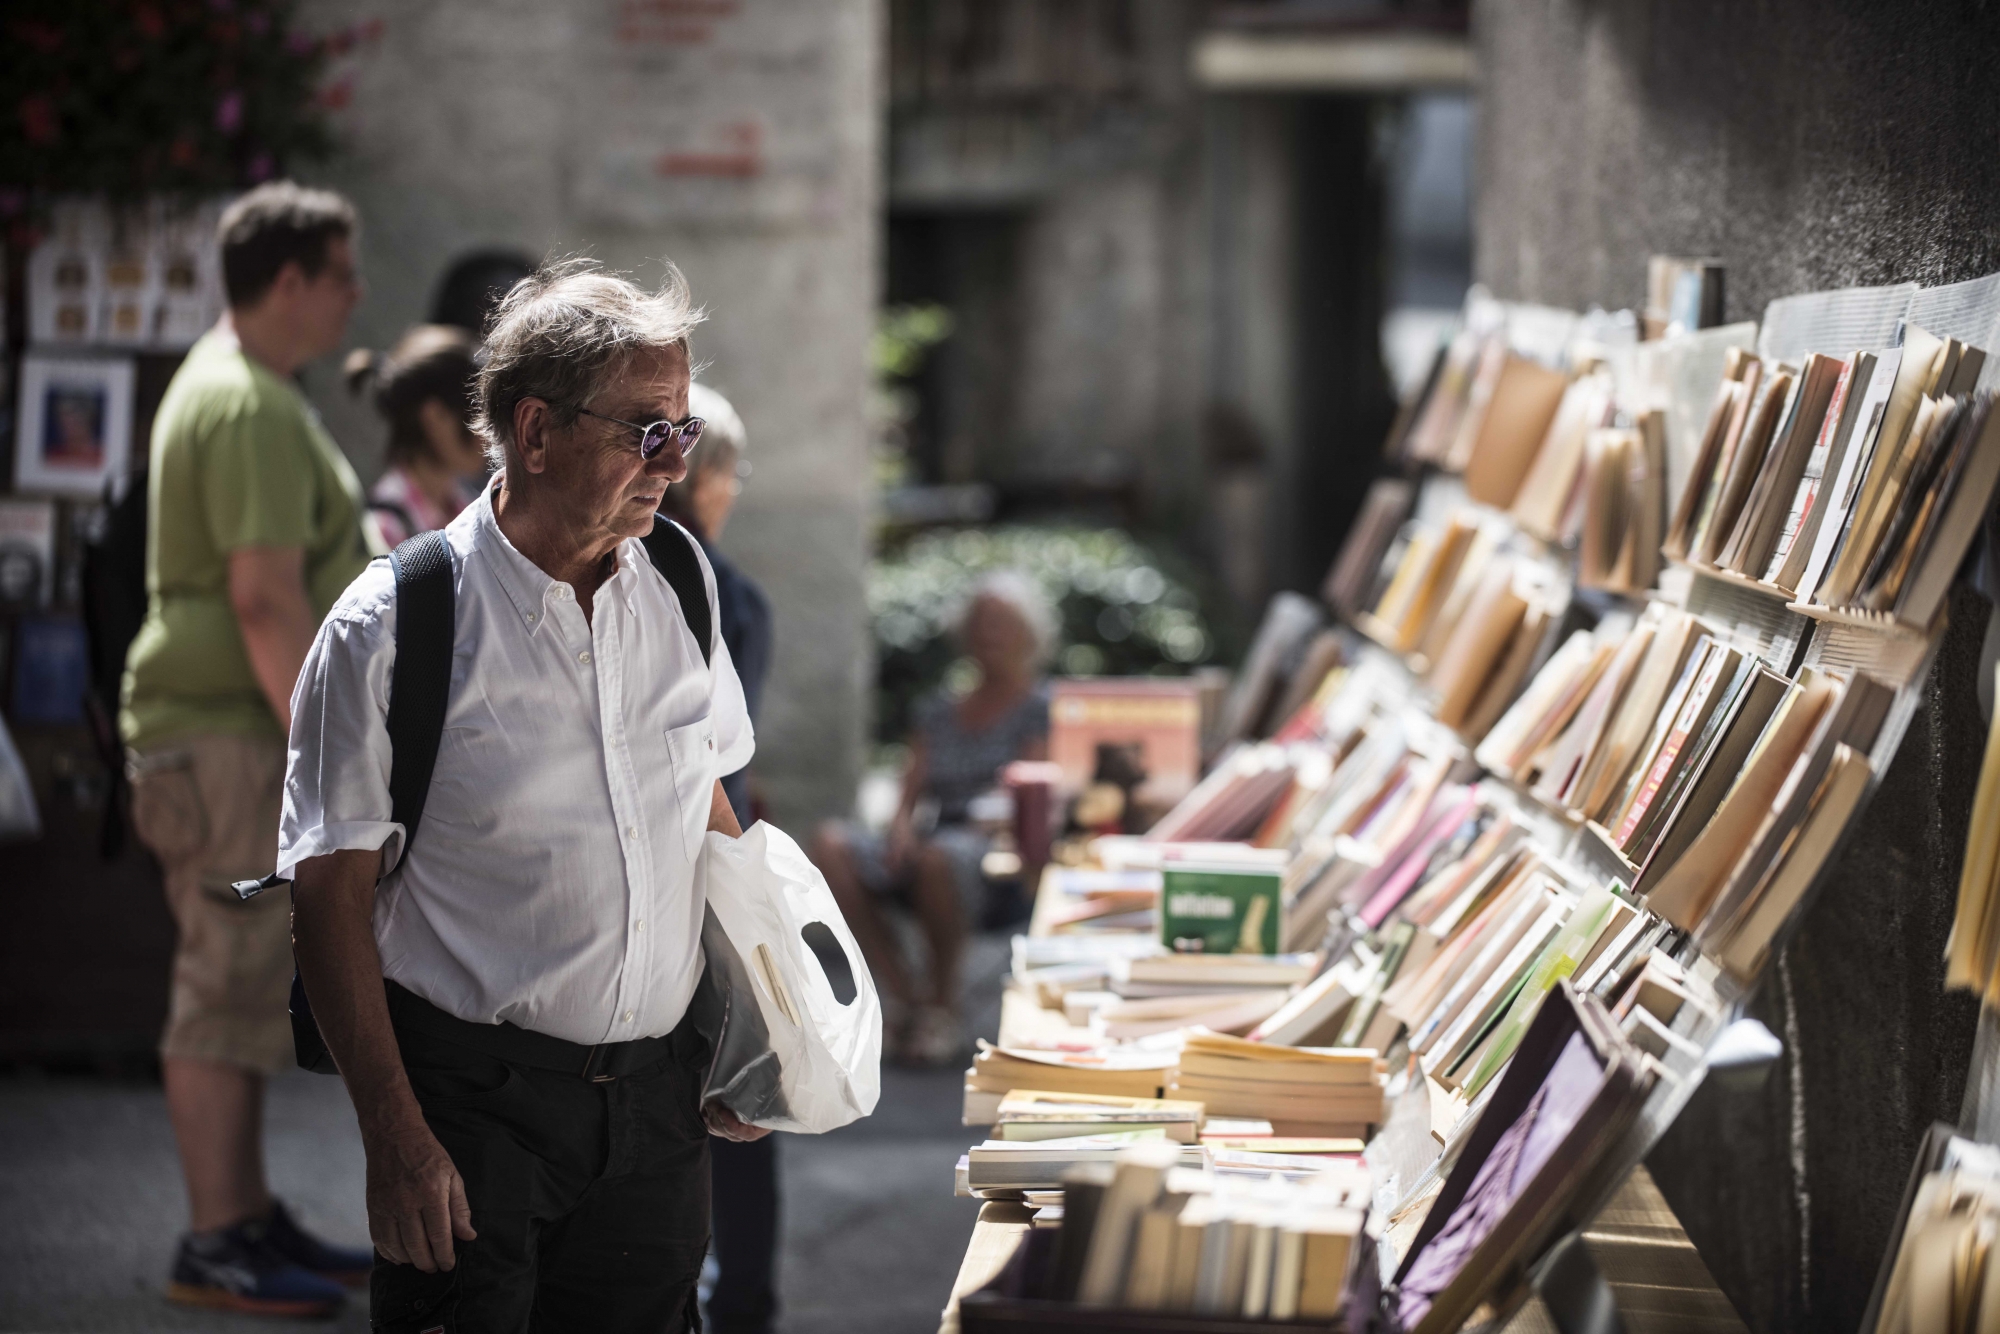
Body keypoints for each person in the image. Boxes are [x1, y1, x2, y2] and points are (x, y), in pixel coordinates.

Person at [280, 259, 771, 1334]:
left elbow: (712, 813)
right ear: (535, 431)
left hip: (656, 1107)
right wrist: (395, 1139)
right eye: (646, 430)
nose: (671, 463)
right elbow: (327, 898)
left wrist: (753, 1021)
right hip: (471, 1113)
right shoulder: (394, 622)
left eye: (682, 431)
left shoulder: (680, 583)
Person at [119, 180, 377, 1318]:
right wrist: (322, 750)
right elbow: (267, 602)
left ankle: (245, 1212)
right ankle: (217, 1236)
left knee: (238, 978)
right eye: (341, 273)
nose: (354, 296)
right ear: (289, 282)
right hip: (224, 729)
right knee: (221, 981)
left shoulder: (241, 389)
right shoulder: (249, 404)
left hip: (220, 726)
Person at [812, 575, 1052, 1065]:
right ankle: (905, 997)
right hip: (933, 839)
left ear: (1028, 636)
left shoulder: (1040, 709)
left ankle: (942, 1008)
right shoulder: (939, 710)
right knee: (830, 844)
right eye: (981, 625)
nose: (990, 636)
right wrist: (901, 830)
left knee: (942, 857)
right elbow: (909, 791)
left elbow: (1033, 794)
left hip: (1000, 851)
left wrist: (955, 834)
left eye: (1002, 626)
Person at [662, 384, 778, 1334]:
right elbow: (721, 770)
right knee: (737, 1090)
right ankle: (739, 1300)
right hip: (700, 874)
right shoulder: (720, 590)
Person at [344, 324, 488, 546]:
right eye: (476, 413)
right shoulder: (386, 527)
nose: (487, 432)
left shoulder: (470, 509)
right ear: (435, 416)